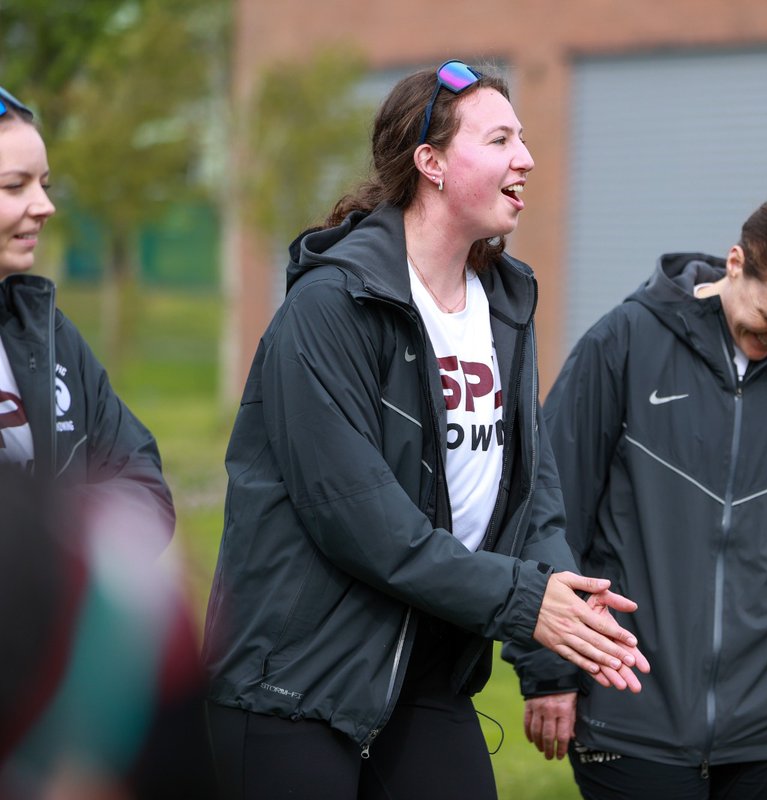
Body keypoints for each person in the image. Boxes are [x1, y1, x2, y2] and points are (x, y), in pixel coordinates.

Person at [201, 59, 648, 800]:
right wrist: (520, 601)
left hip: (428, 674)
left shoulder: (503, 304)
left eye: (523, 139)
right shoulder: (332, 306)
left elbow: (526, 494)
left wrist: (559, 619)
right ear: (431, 163)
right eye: (500, 139)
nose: (526, 159)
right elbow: (359, 518)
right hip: (292, 685)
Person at [516, 195, 767, 798]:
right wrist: (548, 674)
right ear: (736, 262)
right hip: (632, 709)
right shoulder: (625, 342)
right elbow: (546, 513)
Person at [1, 87, 200, 799]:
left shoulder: (48, 332)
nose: (45, 205)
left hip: (59, 722)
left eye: (45, 184)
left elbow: (140, 479)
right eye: (15, 186)